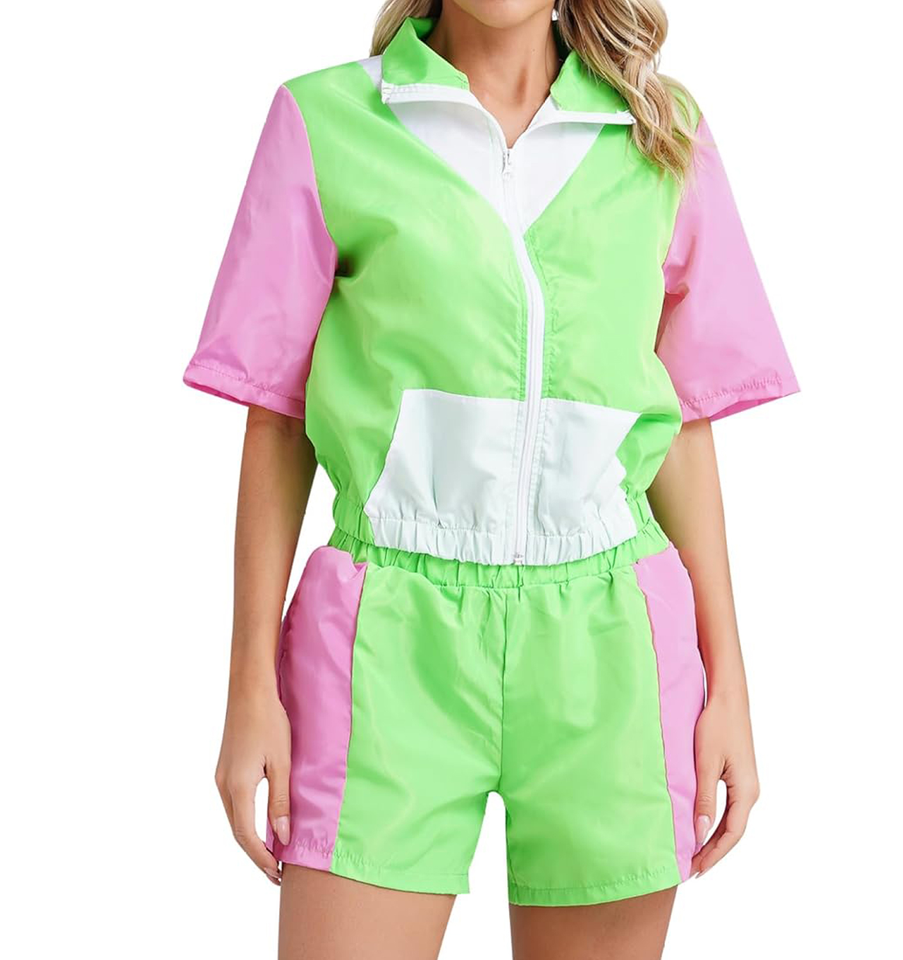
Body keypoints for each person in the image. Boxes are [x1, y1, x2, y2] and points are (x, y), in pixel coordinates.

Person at [182, 2, 799, 957]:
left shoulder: (660, 132)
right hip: (386, 646)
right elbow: (277, 414)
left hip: (611, 652)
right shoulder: (328, 120)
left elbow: (682, 422)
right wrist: (247, 688)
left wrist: (732, 689)